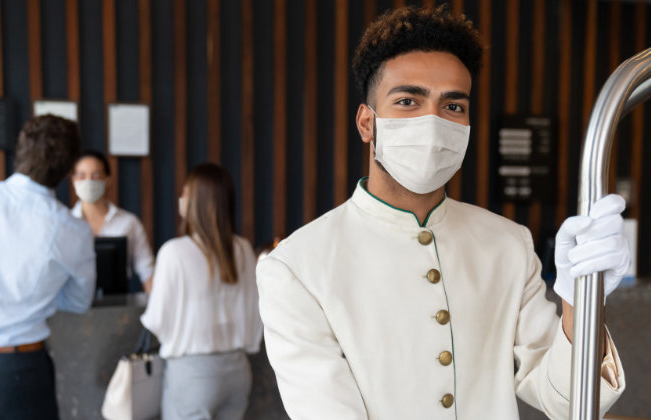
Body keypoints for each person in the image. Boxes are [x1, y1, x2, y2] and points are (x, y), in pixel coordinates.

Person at [256, 6, 628, 420]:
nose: (432, 122)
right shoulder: (297, 267)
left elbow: (567, 401)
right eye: (408, 101)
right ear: (366, 122)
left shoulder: (508, 244)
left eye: (452, 106)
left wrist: (579, 300)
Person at [0, 115, 96, 419]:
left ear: (19, 151)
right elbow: (78, 303)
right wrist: (41, 292)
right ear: (69, 170)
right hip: (16, 371)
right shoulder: (72, 230)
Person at [141, 163, 263, 420]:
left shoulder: (174, 252)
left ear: (197, 202)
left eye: (186, 193)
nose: (181, 199)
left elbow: (157, 321)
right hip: (238, 372)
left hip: (193, 375)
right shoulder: (243, 249)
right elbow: (256, 314)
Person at [70, 150, 155, 293]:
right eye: (81, 176)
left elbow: (147, 272)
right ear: (73, 180)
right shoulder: (64, 223)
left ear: (108, 180)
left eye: (96, 176)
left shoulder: (129, 223)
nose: (88, 181)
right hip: (73, 303)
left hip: (117, 302)